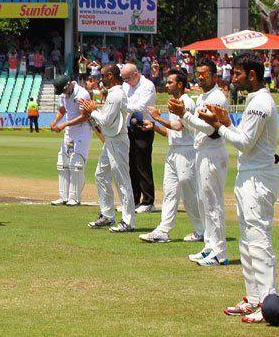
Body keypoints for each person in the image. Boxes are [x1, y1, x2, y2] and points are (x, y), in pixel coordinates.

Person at [198, 53, 279, 323]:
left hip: (258, 177)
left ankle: (269, 302)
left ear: (252, 75)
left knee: (259, 241)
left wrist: (218, 126)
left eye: (238, 74)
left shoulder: (260, 103)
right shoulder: (254, 100)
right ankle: (254, 298)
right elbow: (248, 139)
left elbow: (244, 143)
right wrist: (226, 123)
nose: (233, 78)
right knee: (246, 240)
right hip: (250, 174)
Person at [168, 56, 229, 266]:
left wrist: (184, 114)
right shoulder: (203, 97)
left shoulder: (217, 97)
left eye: (204, 74)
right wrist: (186, 117)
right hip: (201, 151)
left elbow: (211, 129)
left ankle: (220, 252)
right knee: (204, 203)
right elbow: (195, 128)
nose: (200, 78)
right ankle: (210, 247)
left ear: (214, 75)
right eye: (198, 74)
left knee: (213, 204)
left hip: (213, 151)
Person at [138, 69, 203, 243]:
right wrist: (154, 126)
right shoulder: (174, 102)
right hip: (174, 150)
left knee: (189, 193)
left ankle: (201, 230)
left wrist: (157, 118)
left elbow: (178, 126)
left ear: (180, 84)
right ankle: (163, 230)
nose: (166, 85)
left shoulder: (186, 102)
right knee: (170, 192)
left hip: (187, 151)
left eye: (170, 82)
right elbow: (170, 132)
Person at [80, 63, 135, 233]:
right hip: (112, 140)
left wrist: (92, 110)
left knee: (122, 180)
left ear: (110, 75)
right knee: (101, 175)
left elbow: (105, 121)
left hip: (118, 140)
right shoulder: (113, 93)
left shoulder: (116, 94)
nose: (100, 79)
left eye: (103, 76)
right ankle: (107, 215)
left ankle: (128, 221)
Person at [49, 76, 92, 206]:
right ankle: (63, 197)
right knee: (62, 163)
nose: (62, 94)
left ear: (68, 86)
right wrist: (55, 121)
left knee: (76, 165)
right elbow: (62, 110)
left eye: (63, 91)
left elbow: (84, 117)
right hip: (69, 133)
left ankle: (74, 197)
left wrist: (65, 124)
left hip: (82, 132)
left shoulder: (82, 94)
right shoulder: (64, 94)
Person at [121, 63, 157, 213]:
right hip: (129, 128)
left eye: (128, 78)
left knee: (142, 165)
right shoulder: (125, 86)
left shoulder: (147, 85)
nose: (126, 81)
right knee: (131, 166)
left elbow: (141, 107)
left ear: (136, 74)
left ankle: (148, 201)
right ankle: (134, 200)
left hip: (143, 127)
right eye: (124, 79)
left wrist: (121, 105)